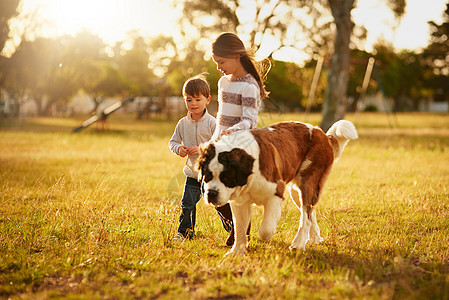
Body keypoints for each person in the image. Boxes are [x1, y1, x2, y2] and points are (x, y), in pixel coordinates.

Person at [210, 32, 271, 246]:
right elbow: (221, 116)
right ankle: (236, 228)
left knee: (231, 187)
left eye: (221, 62)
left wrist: (232, 131)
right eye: (216, 62)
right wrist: (215, 138)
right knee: (207, 185)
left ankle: (240, 231)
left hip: (238, 146)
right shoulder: (223, 82)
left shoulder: (249, 87)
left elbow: (250, 121)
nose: (219, 67)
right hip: (220, 142)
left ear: (236, 56)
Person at [169, 74, 216, 242]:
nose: (193, 104)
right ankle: (185, 233)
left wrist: (203, 148)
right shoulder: (182, 123)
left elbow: (220, 143)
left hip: (211, 173)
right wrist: (178, 149)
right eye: (189, 100)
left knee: (220, 203)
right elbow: (172, 141)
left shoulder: (212, 123)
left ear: (207, 99)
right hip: (192, 174)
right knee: (187, 204)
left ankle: (233, 227)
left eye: (197, 99)